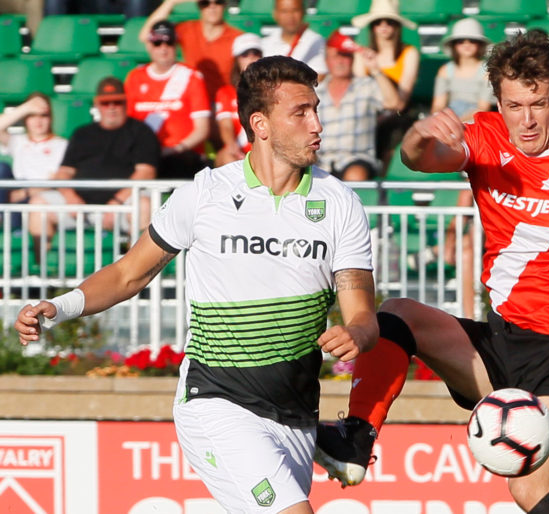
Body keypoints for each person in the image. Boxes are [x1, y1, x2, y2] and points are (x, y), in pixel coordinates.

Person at [314, 30, 549, 513]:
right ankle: (354, 441)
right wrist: (418, 132)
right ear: (499, 101)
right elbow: (420, 159)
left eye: (538, 103)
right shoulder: (486, 136)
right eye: (514, 105)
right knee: (397, 314)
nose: (527, 119)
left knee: (530, 487)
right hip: (503, 339)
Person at [16, 56, 379, 514]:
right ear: (260, 124)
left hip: (297, 415)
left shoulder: (339, 202)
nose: (317, 124)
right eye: (301, 112)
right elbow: (131, 272)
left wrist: (357, 332)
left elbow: (362, 312)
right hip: (216, 403)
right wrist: (61, 306)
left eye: (316, 109)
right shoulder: (204, 193)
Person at [28, 77, 160, 242]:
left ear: (125, 102)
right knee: (38, 203)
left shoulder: (141, 131)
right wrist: (70, 196)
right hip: (81, 206)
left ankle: (142, 266)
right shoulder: (82, 133)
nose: (111, 107)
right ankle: (40, 266)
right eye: (105, 103)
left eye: (116, 102)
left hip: (124, 204)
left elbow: (146, 172)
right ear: (97, 104)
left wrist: (116, 203)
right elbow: (64, 172)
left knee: (144, 204)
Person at [126, 20, 211, 180]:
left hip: (181, 154)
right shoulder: (135, 78)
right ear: (149, 46)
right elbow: (128, 124)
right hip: (143, 156)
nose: (163, 48)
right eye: (157, 42)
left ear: (176, 45)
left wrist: (173, 149)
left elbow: (202, 129)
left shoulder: (191, 77)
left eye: (169, 42)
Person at [316, 32, 400, 180]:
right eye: (336, 56)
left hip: (357, 158)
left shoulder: (366, 85)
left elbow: (393, 103)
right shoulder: (317, 90)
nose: (341, 61)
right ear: (327, 60)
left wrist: (375, 69)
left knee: (355, 175)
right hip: (321, 160)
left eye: (346, 56)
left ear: (353, 59)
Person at [351, 0, 420, 168]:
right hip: (368, 115)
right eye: (378, 22)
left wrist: (375, 70)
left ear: (397, 26)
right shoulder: (362, 54)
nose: (384, 26)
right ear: (372, 27)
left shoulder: (409, 53)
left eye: (389, 22)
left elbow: (401, 102)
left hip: (398, 117)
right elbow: (359, 92)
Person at [139, 0, 243, 102]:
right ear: (199, 6)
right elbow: (146, 35)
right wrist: (170, 3)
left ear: (224, 5)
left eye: (218, 2)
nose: (212, 7)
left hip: (222, 103)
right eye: (205, 3)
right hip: (193, 100)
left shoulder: (236, 37)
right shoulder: (188, 29)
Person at [0, 93, 67, 212]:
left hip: (42, 195)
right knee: (2, 168)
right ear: (25, 119)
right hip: (16, 189)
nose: (38, 121)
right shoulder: (18, 141)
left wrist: (26, 192)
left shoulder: (62, 145)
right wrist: (26, 108)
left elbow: (58, 180)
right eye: (32, 116)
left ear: (50, 118)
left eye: (43, 115)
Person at [431, 17, 494, 121]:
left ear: (480, 44)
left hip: (475, 121)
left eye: (472, 41)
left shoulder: (487, 72)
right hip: (449, 117)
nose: (466, 44)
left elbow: (483, 108)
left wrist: (458, 123)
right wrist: (440, 121)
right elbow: (438, 105)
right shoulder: (445, 71)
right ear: (454, 45)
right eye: (460, 41)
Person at [214, 32, 262, 167]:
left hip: (264, 152)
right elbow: (225, 125)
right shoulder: (226, 93)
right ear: (237, 60)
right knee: (227, 156)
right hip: (238, 151)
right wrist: (232, 145)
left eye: (255, 53)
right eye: (245, 54)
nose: (251, 58)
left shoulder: (273, 91)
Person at [261, 0, 327, 79]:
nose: (290, 16)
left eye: (295, 10)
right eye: (284, 11)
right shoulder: (263, 44)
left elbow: (318, 78)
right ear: (275, 14)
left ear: (303, 12)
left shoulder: (318, 42)